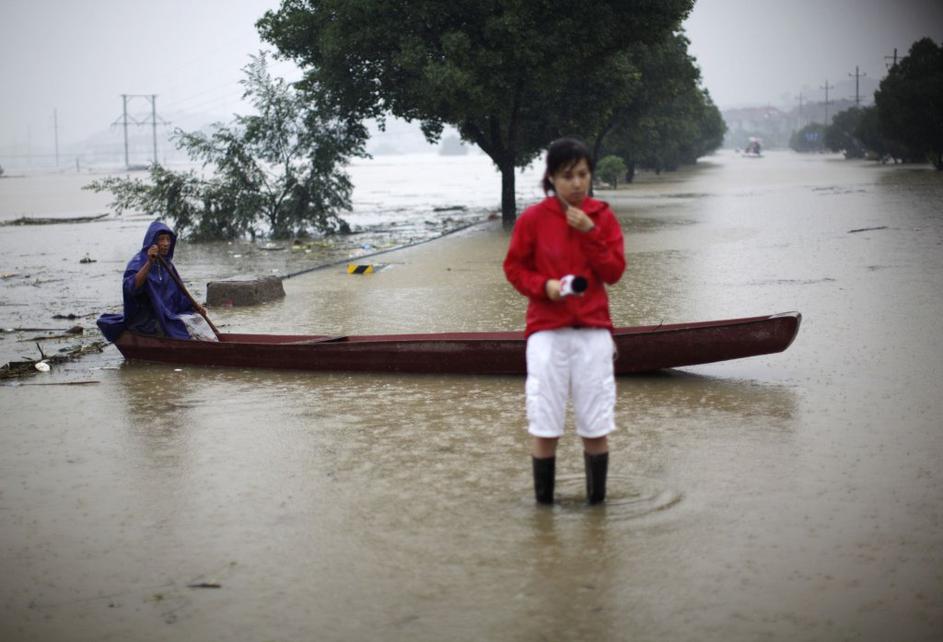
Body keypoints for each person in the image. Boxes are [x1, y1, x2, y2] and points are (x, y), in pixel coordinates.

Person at [503, 138, 626, 505]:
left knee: (596, 426)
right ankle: (544, 512)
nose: (576, 183)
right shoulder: (533, 219)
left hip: (593, 334)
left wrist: (591, 232)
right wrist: (545, 287)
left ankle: (596, 510)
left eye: (583, 174)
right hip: (547, 334)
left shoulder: (602, 216)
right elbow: (514, 269)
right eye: (567, 176)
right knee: (545, 426)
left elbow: (614, 272)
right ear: (552, 179)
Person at [97, 220, 216, 342]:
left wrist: (194, 306)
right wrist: (150, 262)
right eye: (161, 239)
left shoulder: (167, 265)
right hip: (147, 319)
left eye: (168, 239)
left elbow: (179, 294)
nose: (166, 244)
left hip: (168, 314)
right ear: (152, 242)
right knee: (182, 328)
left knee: (197, 319)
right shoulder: (138, 262)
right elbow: (131, 288)